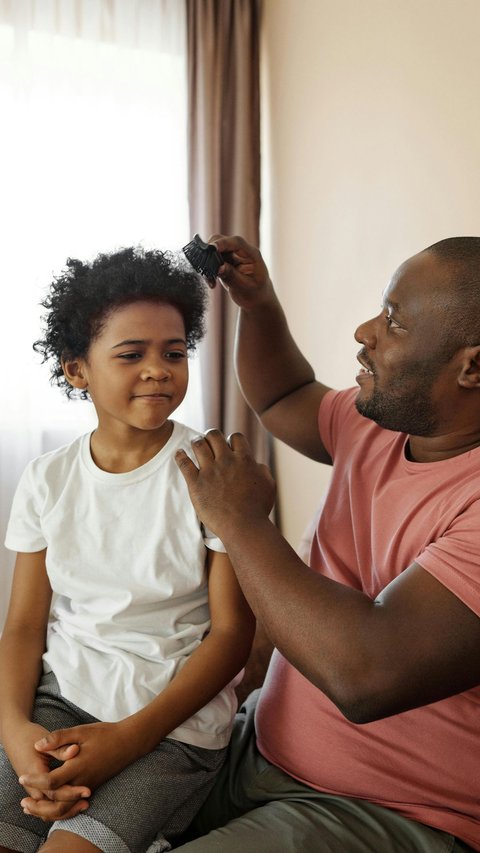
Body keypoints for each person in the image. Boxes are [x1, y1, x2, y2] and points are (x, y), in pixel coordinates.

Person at [170, 235, 480, 852]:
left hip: (393, 813)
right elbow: (283, 397)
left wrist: (242, 522)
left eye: (392, 320)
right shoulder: (378, 423)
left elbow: (364, 675)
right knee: (41, 805)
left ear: (473, 366)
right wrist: (258, 305)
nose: (365, 331)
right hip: (255, 750)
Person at [0, 247, 255, 853]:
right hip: (62, 704)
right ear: (77, 371)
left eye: (174, 353)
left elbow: (232, 636)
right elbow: (23, 627)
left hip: (172, 727)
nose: (158, 370)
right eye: (131, 354)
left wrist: (125, 740)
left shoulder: (212, 470)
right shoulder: (46, 478)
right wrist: (15, 731)